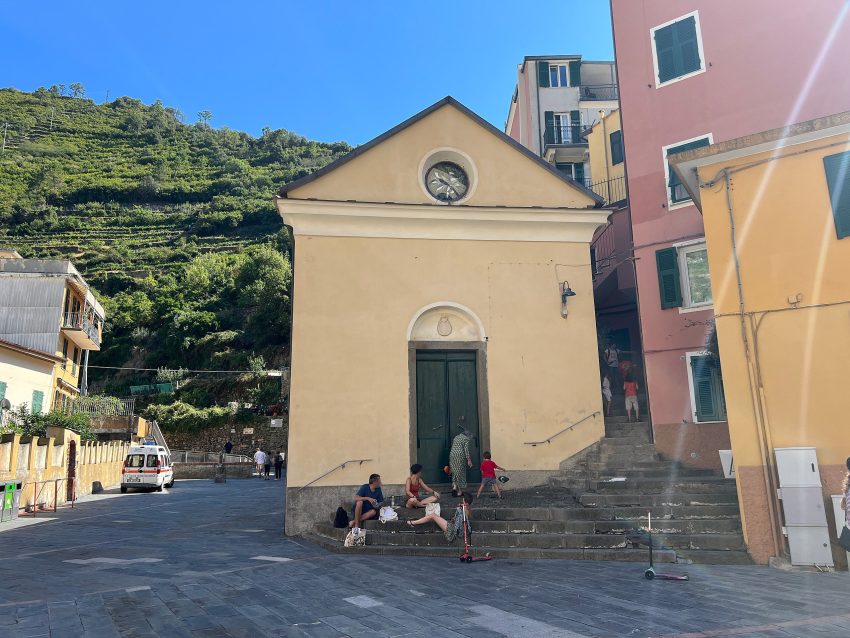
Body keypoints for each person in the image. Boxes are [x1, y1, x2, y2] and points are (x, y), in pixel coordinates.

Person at [407, 491, 473, 543]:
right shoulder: (467, 508)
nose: (462, 500)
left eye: (463, 500)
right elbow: (460, 520)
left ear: (466, 502)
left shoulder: (465, 509)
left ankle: (413, 522)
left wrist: (461, 507)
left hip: (453, 531)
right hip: (453, 526)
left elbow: (461, 524)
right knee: (433, 515)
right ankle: (414, 522)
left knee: (433, 515)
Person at [449, 429, 473, 497]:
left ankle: (454, 487)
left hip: (452, 455)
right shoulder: (466, 439)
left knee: (454, 471)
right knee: (460, 473)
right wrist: (469, 459)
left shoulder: (456, 437)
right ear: (468, 435)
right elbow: (466, 450)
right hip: (460, 456)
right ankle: (459, 491)